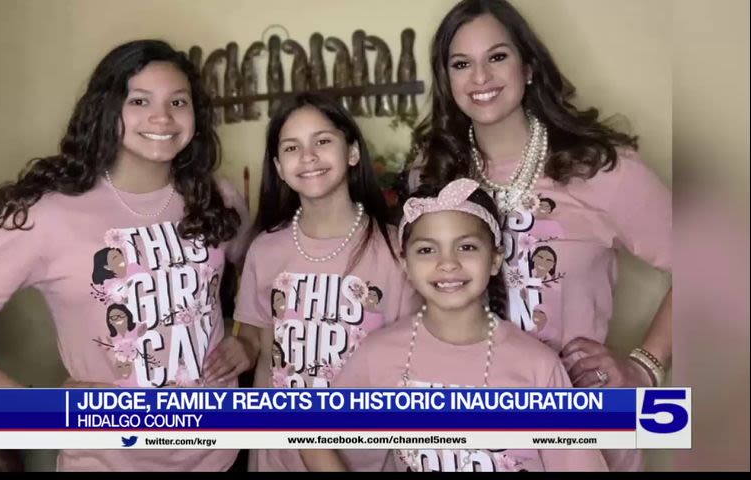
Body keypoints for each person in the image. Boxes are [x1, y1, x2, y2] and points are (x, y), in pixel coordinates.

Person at [408, 1, 671, 470]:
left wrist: (645, 366)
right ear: (448, 81)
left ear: (528, 67)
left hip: (582, 428)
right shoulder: (432, 175)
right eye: (461, 64)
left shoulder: (600, 168)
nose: (480, 77)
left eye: (497, 57)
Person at [0, 39, 251, 471]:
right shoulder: (47, 214)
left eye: (178, 101)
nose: (162, 116)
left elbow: (266, 269)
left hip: (223, 453)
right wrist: (34, 408)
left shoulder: (217, 196)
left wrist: (249, 339)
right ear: (107, 110)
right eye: (139, 100)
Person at [301, 178, 608, 472]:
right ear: (405, 263)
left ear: (495, 259)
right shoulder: (378, 356)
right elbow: (315, 439)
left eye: (466, 247)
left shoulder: (538, 367)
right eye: (426, 249)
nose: (447, 263)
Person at [231, 93, 421, 471]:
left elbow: (410, 367)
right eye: (291, 147)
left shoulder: (396, 249)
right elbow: (256, 344)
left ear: (352, 153)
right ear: (279, 167)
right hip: (278, 458)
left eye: (322, 141)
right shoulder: (265, 249)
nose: (308, 156)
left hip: (366, 458)